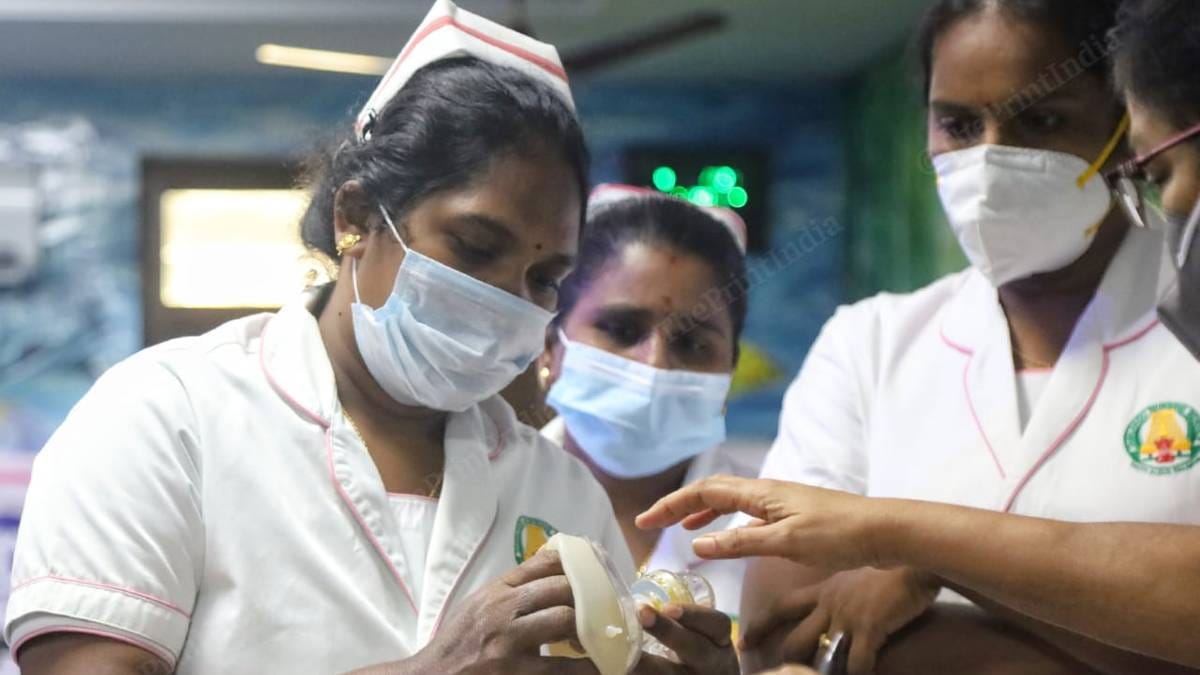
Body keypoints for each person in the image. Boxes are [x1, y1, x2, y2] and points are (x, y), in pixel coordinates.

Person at [4, 2, 736, 674]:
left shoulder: (555, 488)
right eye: (475, 248)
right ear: (355, 217)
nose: (506, 302)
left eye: (544, 277)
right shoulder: (164, 417)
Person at [637, 0, 1200, 671]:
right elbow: (774, 631)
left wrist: (926, 558)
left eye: (1042, 119)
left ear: (1123, 126)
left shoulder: (1185, 324)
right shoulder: (869, 343)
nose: (990, 158)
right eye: (959, 124)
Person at [538, 184, 761, 627]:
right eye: (621, 329)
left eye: (694, 343)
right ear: (550, 347)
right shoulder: (481, 500)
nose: (654, 365)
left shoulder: (769, 532)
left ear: (729, 370)